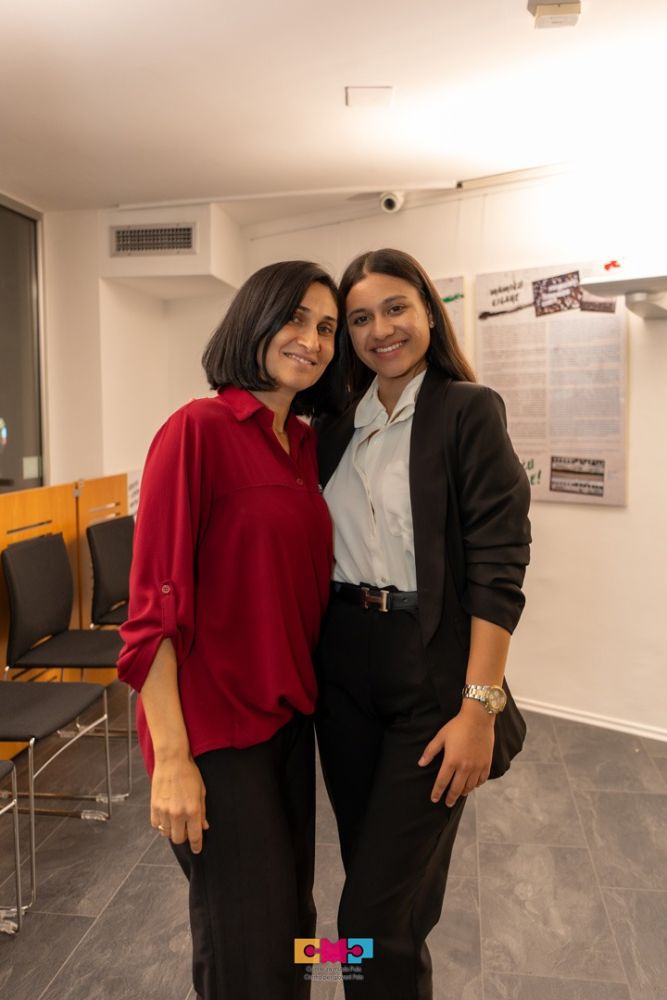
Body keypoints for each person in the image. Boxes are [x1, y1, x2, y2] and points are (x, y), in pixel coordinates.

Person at [117, 260, 338, 1000]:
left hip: (286, 721)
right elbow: (152, 612)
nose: (312, 340)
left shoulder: (302, 444)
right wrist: (173, 759)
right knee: (248, 950)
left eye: (326, 328)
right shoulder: (198, 430)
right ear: (255, 319)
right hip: (214, 734)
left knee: (296, 928)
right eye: (296, 318)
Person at [315, 248, 531, 1000]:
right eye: (359, 318)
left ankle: (356, 970)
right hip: (342, 674)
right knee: (386, 897)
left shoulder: (466, 410)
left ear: (429, 312)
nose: (380, 330)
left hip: (429, 675)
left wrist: (479, 708)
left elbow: (498, 570)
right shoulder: (332, 426)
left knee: (368, 914)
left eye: (395, 308)